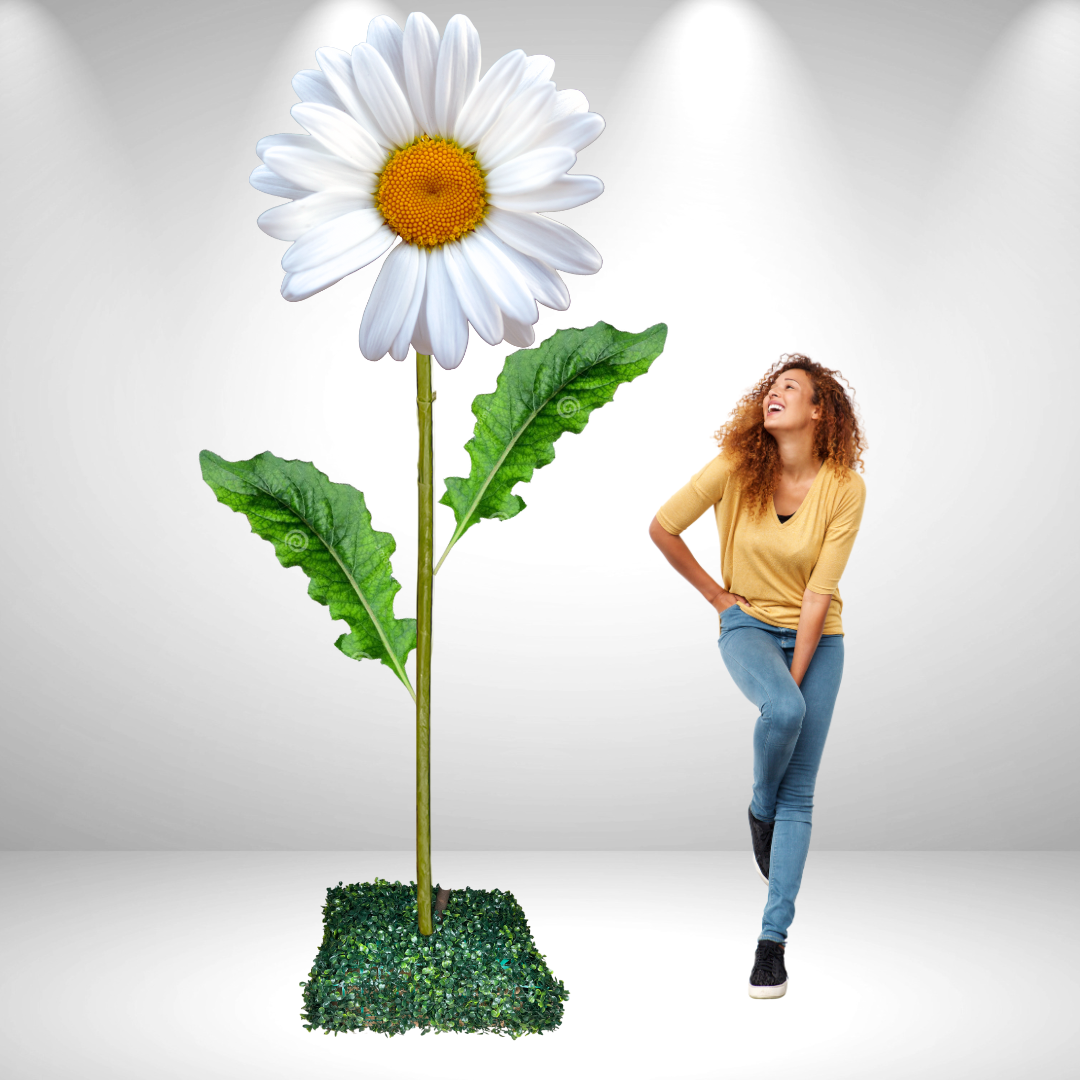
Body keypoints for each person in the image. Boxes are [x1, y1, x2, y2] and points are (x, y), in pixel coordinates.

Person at [648, 353, 867, 999]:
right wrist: (719, 598)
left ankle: (772, 945)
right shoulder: (735, 467)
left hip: (818, 636)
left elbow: (819, 594)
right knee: (784, 715)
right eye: (770, 388)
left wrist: (795, 680)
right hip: (746, 626)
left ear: (818, 410)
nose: (774, 395)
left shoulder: (845, 487)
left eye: (790, 389)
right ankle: (757, 805)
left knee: (801, 792)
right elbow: (662, 527)